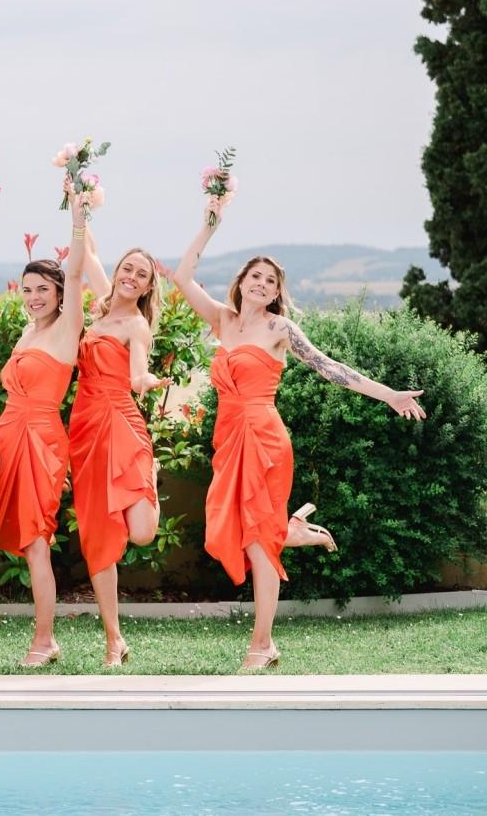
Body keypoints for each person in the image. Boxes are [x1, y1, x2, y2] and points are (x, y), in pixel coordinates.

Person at [171, 197, 425, 669]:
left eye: (271, 280)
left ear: (276, 292)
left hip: (265, 439)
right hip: (229, 438)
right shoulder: (221, 320)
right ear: (241, 282)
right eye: (256, 277)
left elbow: (330, 368)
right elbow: (182, 277)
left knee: (256, 540)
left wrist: (389, 394)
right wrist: (209, 226)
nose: (263, 284)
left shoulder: (279, 328)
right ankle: (295, 531)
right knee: (235, 526)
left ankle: (262, 643)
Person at [0, 184, 88, 666]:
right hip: (8, 434)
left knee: (36, 540)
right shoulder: (27, 330)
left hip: (42, 440)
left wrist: (79, 217)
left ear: (60, 293)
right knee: (16, 539)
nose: (33, 297)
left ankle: (44, 640)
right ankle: (44, 636)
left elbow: (80, 268)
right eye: (27, 290)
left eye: (43, 289)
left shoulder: (68, 327)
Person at [68, 201, 170, 667]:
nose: (131, 276)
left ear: (149, 286)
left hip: (121, 421)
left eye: (141, 274)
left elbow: (138, 370)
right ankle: (114, 639)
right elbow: (85, 249)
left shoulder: (136, 324)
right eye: (127, 268)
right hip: (85, 429)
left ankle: (147, 475)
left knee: (143, 533)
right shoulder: (102, 302)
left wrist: (144, 381)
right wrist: (78, 201)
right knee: (98, 536)